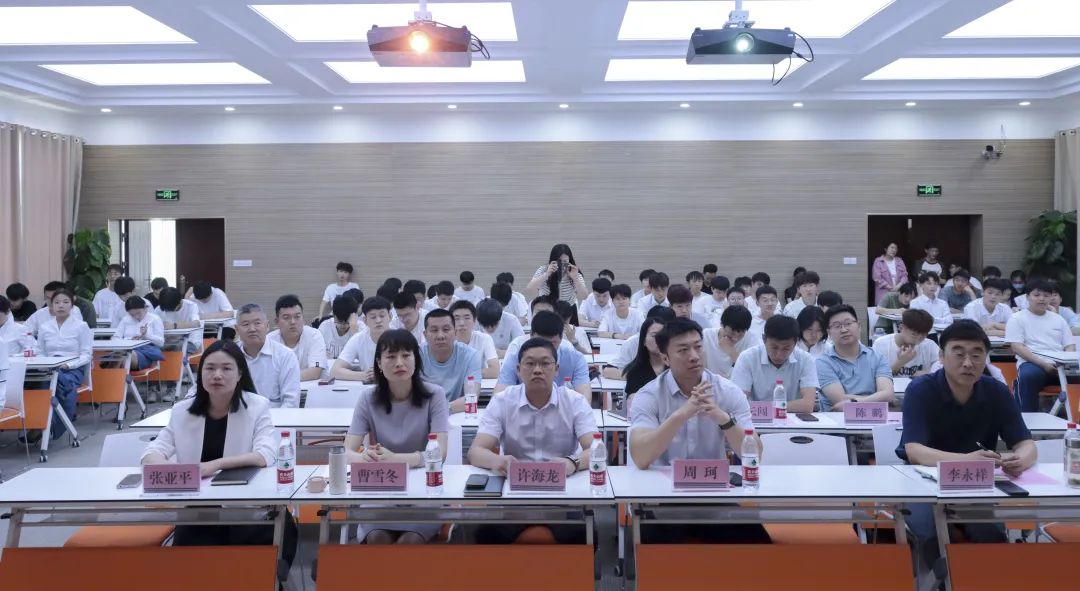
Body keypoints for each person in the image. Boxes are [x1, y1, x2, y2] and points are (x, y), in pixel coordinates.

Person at [899, 320, 1036, 578]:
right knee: (932, 534)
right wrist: (965, 460)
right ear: (941, 356)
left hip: (976, 485)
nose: (968, 363)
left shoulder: (996, 391)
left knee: (990, 533)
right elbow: (914, 451)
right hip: (922, 482)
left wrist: (1020, 459)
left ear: (986, 358)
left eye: (976, 355)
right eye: (959, 353)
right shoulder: (921, 389)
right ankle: (944, 582)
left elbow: (1026, 443)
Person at [141, 340, 296, 564]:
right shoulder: (182, 410)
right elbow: (154, 450)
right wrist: (166, 468)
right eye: (210, 368)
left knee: (252, 563)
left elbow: (265, 454)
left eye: (226, 368)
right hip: (199, 511)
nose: (217, 375)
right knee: (193, 566)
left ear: (240, 373)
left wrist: (213, 465)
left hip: (248, 509)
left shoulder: (257, 406)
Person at [628, 318, 770, 543]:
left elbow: (755, 455)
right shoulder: (649, 395)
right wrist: (681, 414)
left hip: (715, 495)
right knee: (655, 548)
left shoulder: (728, 391)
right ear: (665, 358)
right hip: (663, 497)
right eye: (683, 350)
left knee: (757, 542)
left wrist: (722, 419)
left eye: (698, 347)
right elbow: (640, 457)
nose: (694, 356)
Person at [468, 338, 598, 544]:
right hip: (514, 495)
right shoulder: (502, 400)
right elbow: (476, 451)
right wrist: (498, 461)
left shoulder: (574, 401)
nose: (537, 370)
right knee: (483, 534)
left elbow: (597, 450)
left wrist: (572, 462)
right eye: (530, 364)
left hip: (563, 494)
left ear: (556, 369)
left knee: (585, 536)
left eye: (545, 363)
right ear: (518, 370)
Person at [343, 329, 450, 545]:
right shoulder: (368, 398)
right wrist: (365, 458)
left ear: (416, 359)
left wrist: (395, 459)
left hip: (424, 490)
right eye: (391, 356)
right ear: (379, 364)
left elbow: (440, 453)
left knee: (410, 541)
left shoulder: (435, 395)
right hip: (382, 489)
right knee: (377, 538)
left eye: (406, 355)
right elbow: (346, 452)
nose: (399, 362)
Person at [1005, 279, 1076, 412]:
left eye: (1046, 295)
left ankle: (1074, 418)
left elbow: (1069, 345)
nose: (1041, 299)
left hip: (1060, 365)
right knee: (1028, 377)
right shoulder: (1017, 318)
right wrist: (1044, 364)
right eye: (1037, 295)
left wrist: (1065, 364)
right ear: (1027, 297)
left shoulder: (1058, 319)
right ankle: (1026, 418)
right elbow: (1017, 347)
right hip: (1033, 363)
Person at [35, 289, 92, 441]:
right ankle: (44, 423)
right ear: (51, 306)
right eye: (57, 302)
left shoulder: (81, 326)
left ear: (72, 306)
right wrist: (44, 364)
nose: (61, 305)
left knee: (48, 384)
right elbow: (39, 352)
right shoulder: (45, 327)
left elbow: (86, 355)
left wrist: (69, 365)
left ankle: (44, 425)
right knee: (39, 382)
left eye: (65, 302)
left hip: (72, 369)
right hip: (49, 368)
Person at [732, 315, 819, 413]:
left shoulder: (805, 359)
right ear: (764, 339)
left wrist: (764, 408)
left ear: (795, 343)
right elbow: (737, 402)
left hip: (791, 419)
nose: (779, 355)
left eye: (786, 348)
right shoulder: (747, 358)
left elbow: (808, 405)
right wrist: (776, 408)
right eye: (774, 347)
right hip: (757, 419)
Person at [495, 311, 591, 400]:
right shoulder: (515, 358)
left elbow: (584, 400)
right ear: (531, 335)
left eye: (552, 343)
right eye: (540, 342)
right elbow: (499, 398)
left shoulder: (576, 359)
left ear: (561, 338)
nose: (545, 349)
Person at [816, 305, 894, 410]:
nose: (844, 330)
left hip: (874, 417)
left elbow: (888, 394)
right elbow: (839, 399)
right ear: (829, 332)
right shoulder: (823, 362)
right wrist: (878, 399)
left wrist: (853, 402)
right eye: (837, 326)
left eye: (848, 323)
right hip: (838, 418)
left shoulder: (877, 357)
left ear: (859, 326)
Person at [231, 304, 300, 408]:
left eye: (257, 323)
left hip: (275, 415)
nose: (252, 329)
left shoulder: (285, 356)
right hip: (239, 415)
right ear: (237, 329)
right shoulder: (229, 355)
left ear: (267, 326)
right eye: (245, 324)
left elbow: (291, 402)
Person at [419, 309, 482, 412]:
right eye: (434, 330)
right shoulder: (416, 355)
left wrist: (439, 411)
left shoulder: (470, 356)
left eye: (446, 329)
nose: (440, 336)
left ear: (455, 332)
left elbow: (471, 399)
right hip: (422, 415)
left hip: (455, 416)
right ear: (425, 335)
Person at [267, 294, 328, 382]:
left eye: (297, 317)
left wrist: (280, 378)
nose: (293, 322)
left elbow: (315, 372)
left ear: (303, 319)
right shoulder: (269, 340)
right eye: (286, 318)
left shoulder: (314, 335)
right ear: (277, 321)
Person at [603, 306, 676, 380]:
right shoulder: (633, 342)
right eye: (655, 334)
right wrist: (638, 377)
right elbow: (608, 371)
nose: (660, 338)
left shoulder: (677, 342)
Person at [333, 296, 392, 383]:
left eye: (382, 315)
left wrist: (383, 375)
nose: (378, 320)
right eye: (373, 317)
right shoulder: (358, 339)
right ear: (365, 320)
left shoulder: (401, 337)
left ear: (390, 316)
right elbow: (335, 371)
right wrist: (365, 375)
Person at [527, 244, 588, 320]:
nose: (562, 265)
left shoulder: (574, 273)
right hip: (546, 310)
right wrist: (547, 274)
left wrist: (575, 279)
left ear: (569, 261)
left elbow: (584, 296)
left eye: (565, 262)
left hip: (567, 313)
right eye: (558, 261)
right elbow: (529, 289)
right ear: (552, 261)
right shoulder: (544, 270)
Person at [872, 309, 939, 378]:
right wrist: (900, 362)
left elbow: (943, 366)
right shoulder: (881, 344)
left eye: (924, 335)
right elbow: (875, 376)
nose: (918, 338)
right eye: (914, 334)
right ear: (901, 328)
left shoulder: (929, 345)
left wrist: (929, 373)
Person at [702, 305, 761, 378]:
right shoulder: (706, 336)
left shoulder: (751, 338)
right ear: (722, 324)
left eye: (741, 334)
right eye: (732, 333)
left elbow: (753, 372)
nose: (735, 339)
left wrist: (732, 353)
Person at [449, 300, 500, 378]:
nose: (462, 323)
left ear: (475, 320)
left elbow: (494, 371)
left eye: (467, 318)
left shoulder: (484, 339)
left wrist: (462, 374)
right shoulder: (445, 340)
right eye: (457, 318)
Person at [113, 297, 166, 370]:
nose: (136, 317)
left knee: (124, 355)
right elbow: (115, 337)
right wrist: (129, 341)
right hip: (127, 349)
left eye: (138, 313)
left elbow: (161, 343)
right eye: (132, 315)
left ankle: (112, 375)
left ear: (145, 308)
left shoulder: (154, 319)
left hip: (146, 353)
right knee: (121, 354)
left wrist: (147, 335)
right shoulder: (125, 319)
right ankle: (117, 376)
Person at [622, 317, 668, 395]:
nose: (659, 339)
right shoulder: (635, 372)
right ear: (644, 340)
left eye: (662, 335)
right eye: (654, 335)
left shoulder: (675, 367)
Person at [320, 294, 359, 360]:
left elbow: (364, 357)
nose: (343, 325)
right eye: (340, 321)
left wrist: (354, 330)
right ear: (333, 314)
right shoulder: (325, 327)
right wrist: (322, 354)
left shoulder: (360, 327)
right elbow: (315, 351)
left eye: (347, 322)